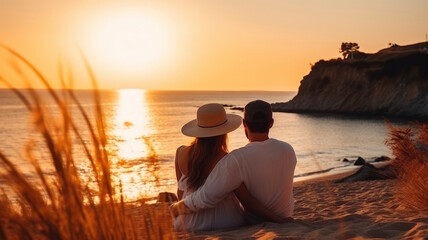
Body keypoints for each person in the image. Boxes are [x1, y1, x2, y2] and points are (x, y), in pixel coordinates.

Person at [171, 100, 297, 226]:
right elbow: (247, 200)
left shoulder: (234, 159)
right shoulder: (288, 149)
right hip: (233, 219)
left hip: (191, 220)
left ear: (244, 124)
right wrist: (279, 220)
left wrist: (177, 208)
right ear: (271, 123)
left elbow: (187, 193)